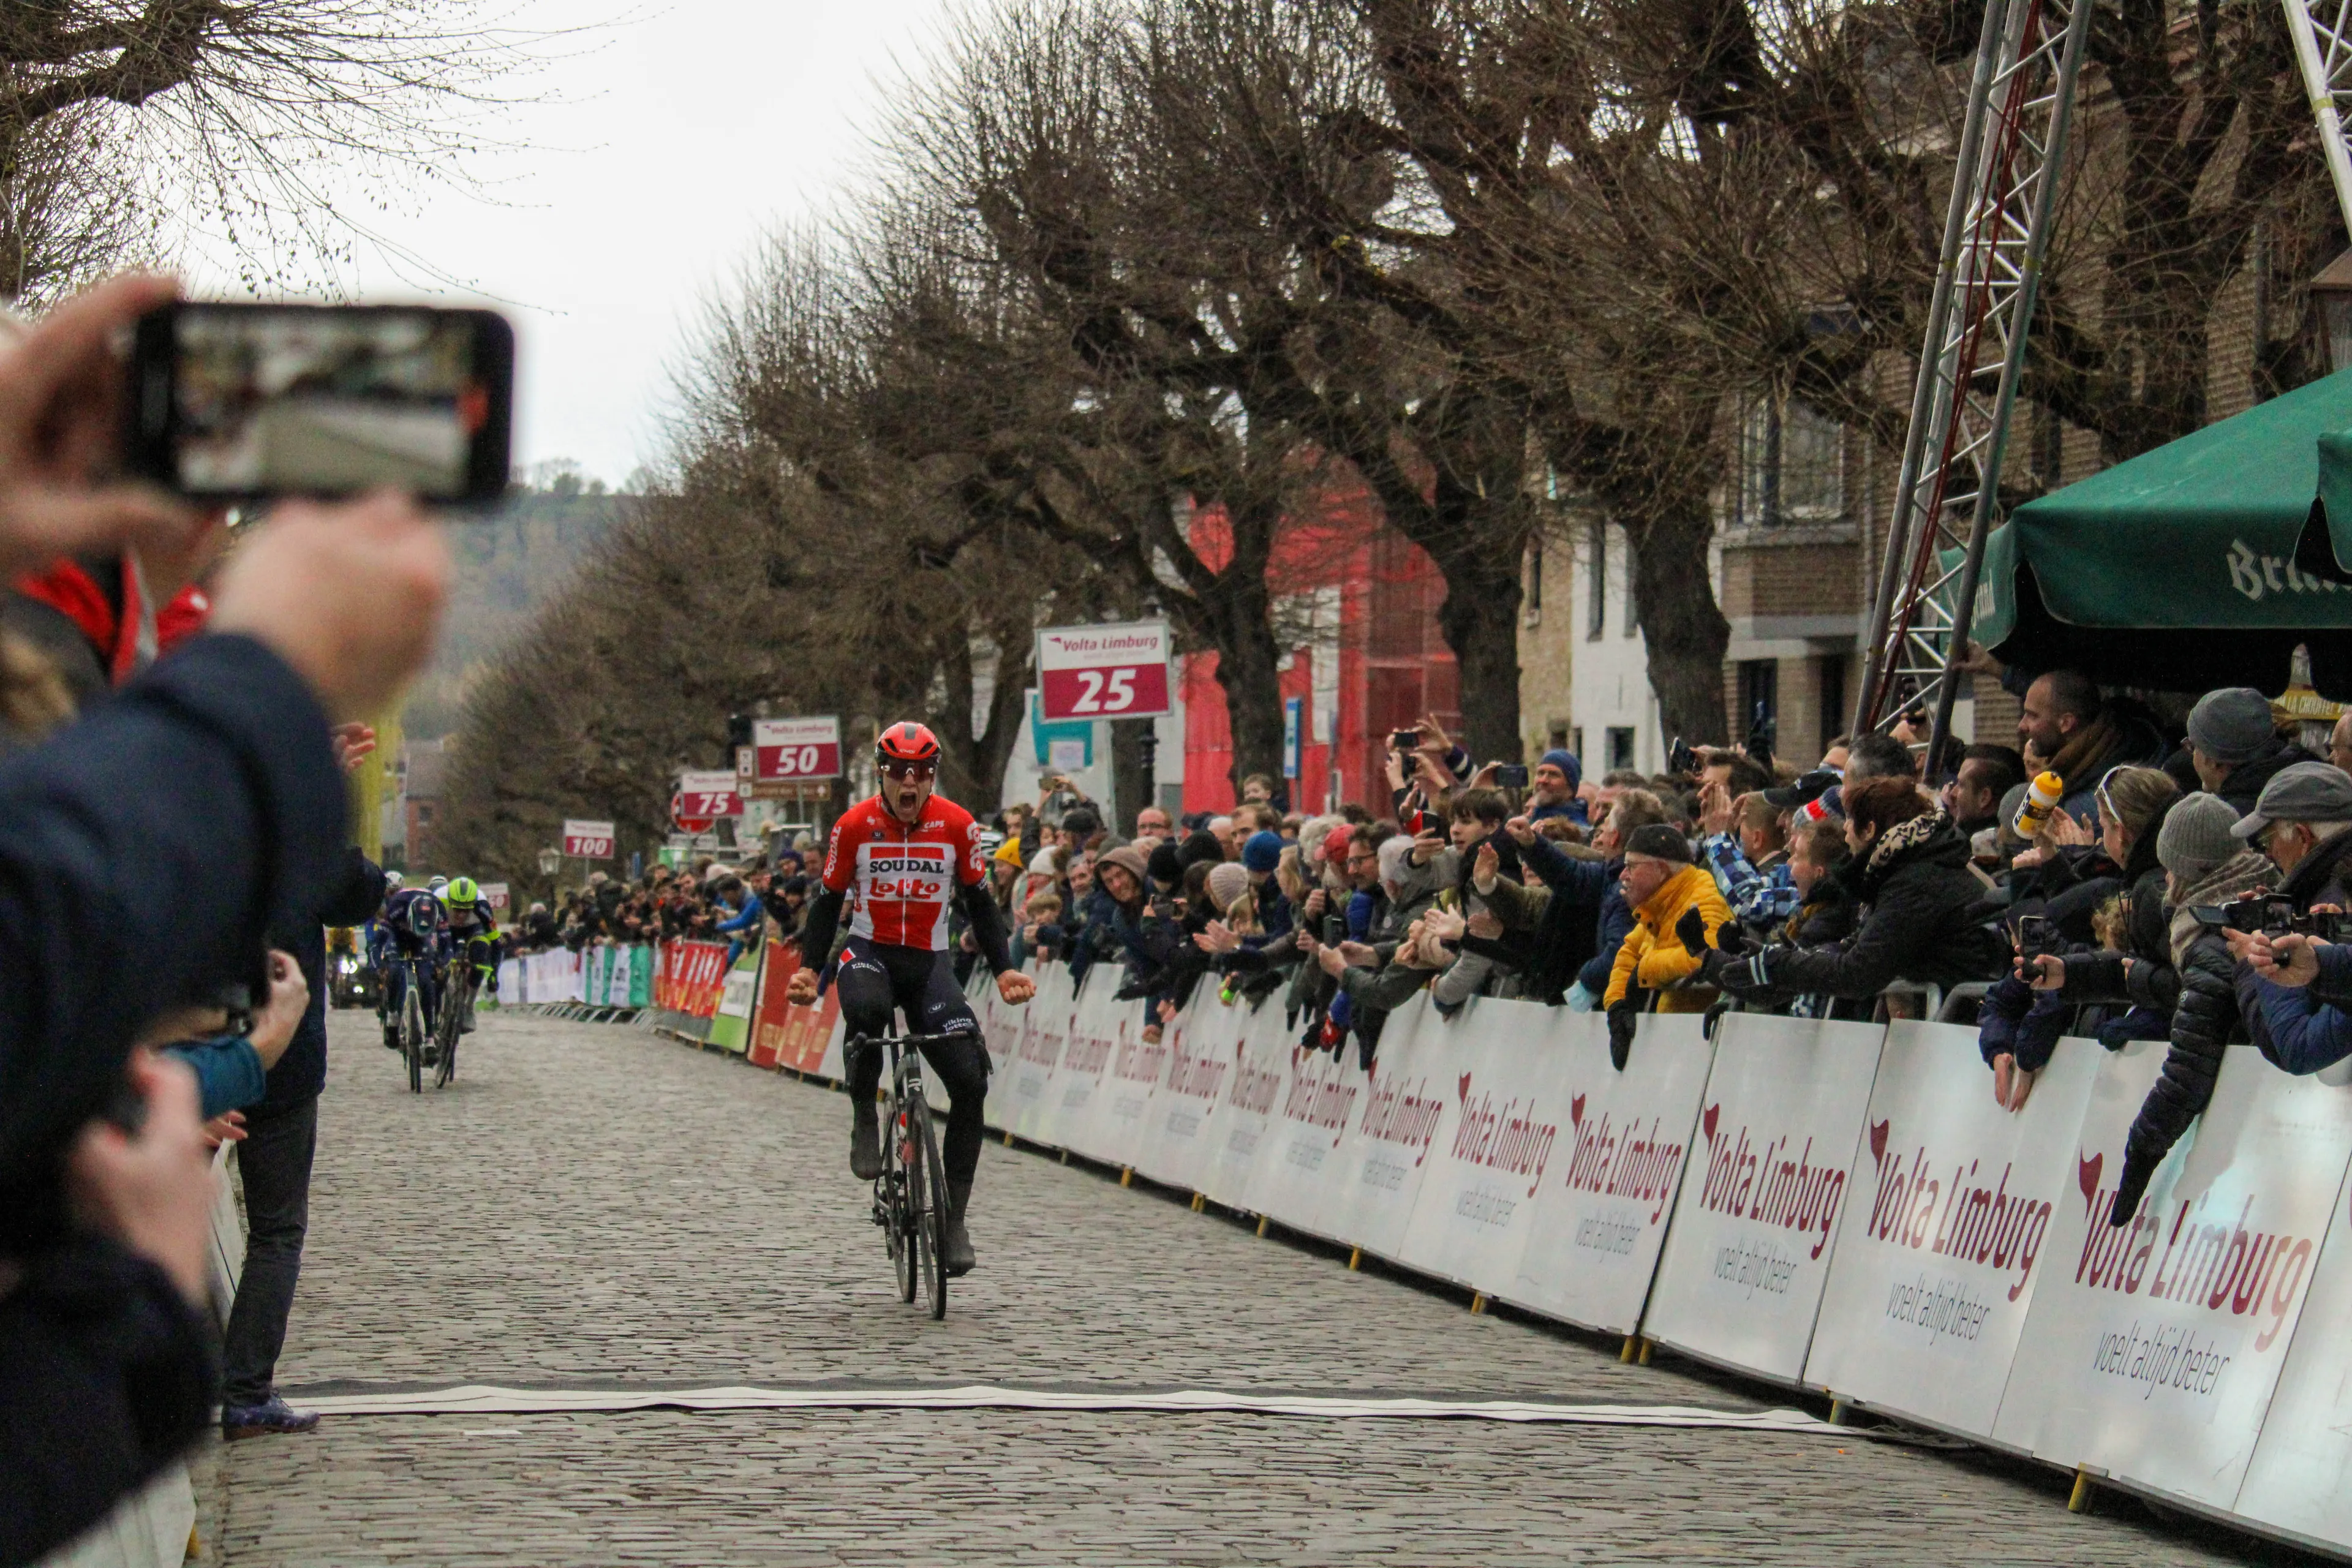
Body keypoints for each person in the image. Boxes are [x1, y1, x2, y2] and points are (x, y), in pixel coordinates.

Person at [783, 722, 1035, 1274]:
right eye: (899, 771)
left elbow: (980, 902)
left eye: (920, 773)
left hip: (928, 963)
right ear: (883, 773)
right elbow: (827, 903)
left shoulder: (957, 825)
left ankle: (955, 1221)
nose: (909, 782)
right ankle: (864, 1115)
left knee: (970, 1080)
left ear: (931, 777)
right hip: (869, 952)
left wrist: (1004, 969)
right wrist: (808, 969)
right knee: (869, 1015)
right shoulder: (853, 826)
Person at [1707, 775, 2004, 1011]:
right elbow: (1850, 948)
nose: (1845, 830)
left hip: (1963, 1027)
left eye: (1850, 820)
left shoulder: (1917, 879)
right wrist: (1781, 963)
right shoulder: (1901, 869)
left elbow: (1860, 972)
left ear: (1870, 829)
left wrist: (1781, 965)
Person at [1602, 824, 1732, 1069]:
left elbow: (1704, 957)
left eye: (1631, 866)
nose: (1623, 875)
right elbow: (1629, 952)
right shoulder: (1661, 902)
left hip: (1698, 1048)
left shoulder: (1703, 898)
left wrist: (1644, 972)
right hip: (1675, 1040)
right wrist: (1617, 1004)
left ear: (1661, 870)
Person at [2180, 687, 2305, 815]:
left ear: (2212, 761)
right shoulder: (2305, 772)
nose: (2192, 754)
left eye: (2192, 747)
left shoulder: (2226, 819)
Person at [377, 875, 449, 1052]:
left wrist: (441, 962)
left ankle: (431, 1037)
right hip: (398, 935)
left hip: (422, 939)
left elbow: (446, 943)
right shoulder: (396, 905)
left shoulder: (439, 909)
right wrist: (380, 964)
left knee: (426, 981)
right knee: (394, 970)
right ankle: (393, 1014)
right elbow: (380, 940)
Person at [439, 875, 500, 1035]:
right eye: (457, 909)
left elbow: (496, 943)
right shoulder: (439, 901)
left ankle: (468, 1007)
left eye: (466, 909)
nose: (460, 914)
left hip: (474, 928)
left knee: (479, 957)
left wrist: (494, 974)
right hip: (447, 929)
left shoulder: (482, 907)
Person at [1528, 748, 1585, 825]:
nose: (1543, 780)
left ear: (1570, 788)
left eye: (1553, 775)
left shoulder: (1577, 831)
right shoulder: (1532, 820)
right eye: (1540, 773)